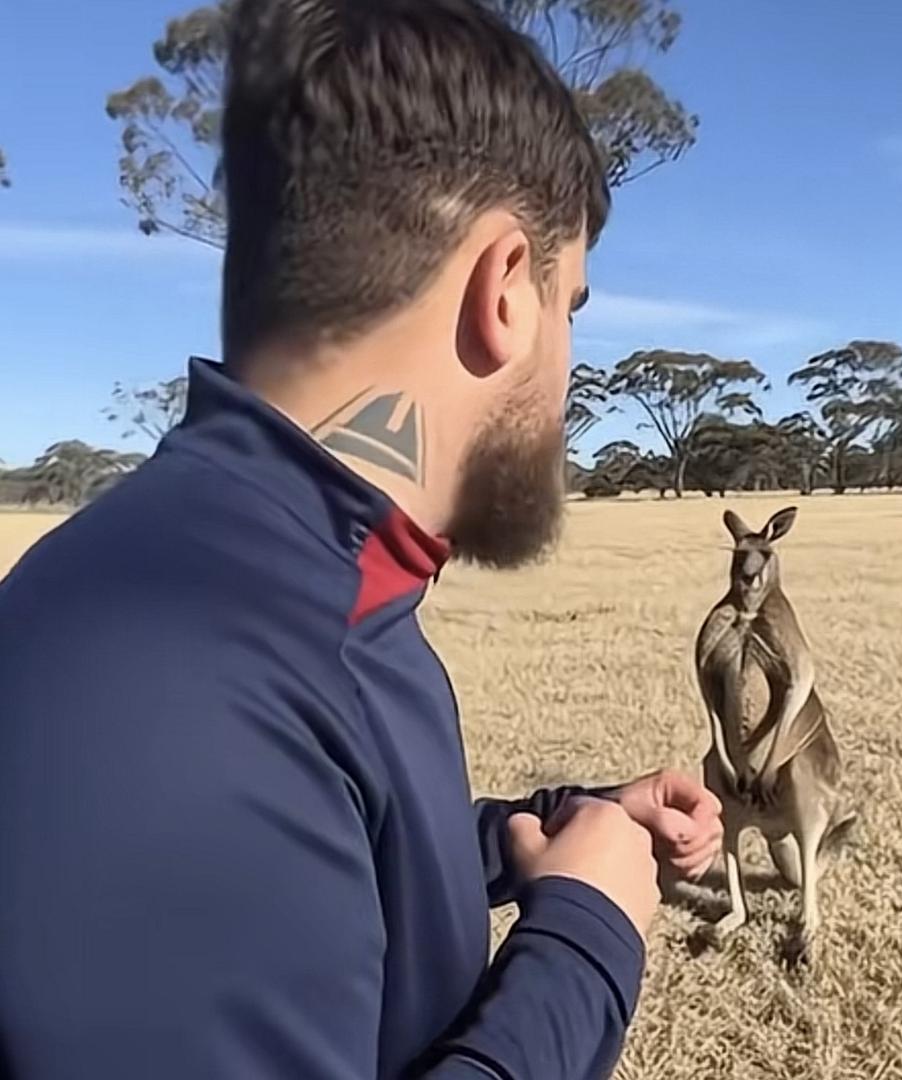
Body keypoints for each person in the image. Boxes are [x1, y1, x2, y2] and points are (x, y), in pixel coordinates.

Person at [0, 1, 723, 1077]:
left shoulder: (280, 585)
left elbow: (288, 859)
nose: (569, 377)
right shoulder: (180, 682)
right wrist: (586, 935)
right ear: (506, 290)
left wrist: (531, 836)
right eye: (572, 304)